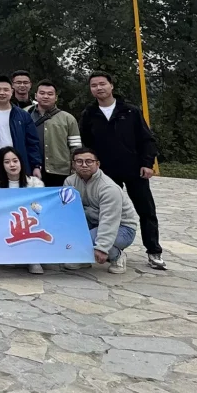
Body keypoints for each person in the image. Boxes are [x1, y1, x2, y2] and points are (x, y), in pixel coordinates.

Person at [79, 71, 164, 270]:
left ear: (111, 86)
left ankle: (154, 252)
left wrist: (147, 163)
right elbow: (86, 144)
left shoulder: (130, 111)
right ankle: (111, 249)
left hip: (134, 170)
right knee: (105, 212)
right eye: (94, 85)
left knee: (146, 211)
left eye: (102, 84)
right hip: (105, 173)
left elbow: (146, 139)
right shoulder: (89, 114)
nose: (99, 88)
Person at [64, 146, 139, 274]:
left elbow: (109, 220)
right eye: (79, 161)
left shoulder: (109, 188)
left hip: (122, 228)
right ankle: (85, 258)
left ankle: (117, 256)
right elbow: (69, 212)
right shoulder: (69, 182)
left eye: (89, 161)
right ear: (73, 164)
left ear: (97, 164)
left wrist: (102, 248)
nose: (84, 165)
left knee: (86, 239)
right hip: (92, 223)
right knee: (67, 233)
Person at [0, 75, 42, 189]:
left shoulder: (23, 115)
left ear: (12, 91)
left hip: (18, 169)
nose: (2, 93)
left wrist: (36, 165)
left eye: (6, 90)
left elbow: (32, 142)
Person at [0, 147, 45, 275]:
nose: (12, 165)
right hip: (7, 222)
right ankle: (9, 252)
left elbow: (41, 208)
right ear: (1, 165)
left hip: (29, 222)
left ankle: (34, 259)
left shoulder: (35, 183)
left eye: (15, 161)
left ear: (21, 162)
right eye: (7, 162)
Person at [31, 79, 82, 187]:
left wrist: (75, 168)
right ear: (36, 95)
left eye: (50, 94)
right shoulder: (26, 114)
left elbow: (76, 147)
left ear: (56, 97)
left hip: (60, 171)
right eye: (42, 93)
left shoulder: (68, 118)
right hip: (32, 169)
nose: (46, 96)